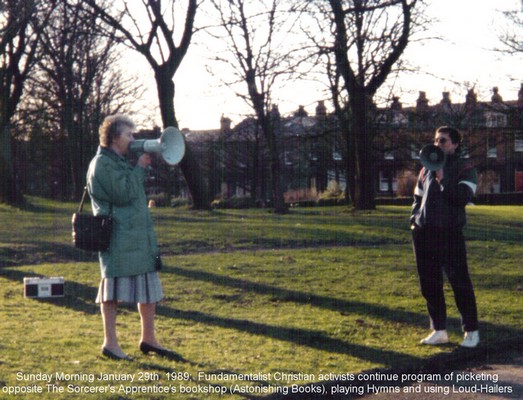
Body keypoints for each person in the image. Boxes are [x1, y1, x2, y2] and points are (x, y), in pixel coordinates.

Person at [87, 114, 176, 360]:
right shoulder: (101, 164)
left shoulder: (118, 161)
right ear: (114, 138)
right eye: (129, 134)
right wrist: (139, 168)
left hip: (136, 237)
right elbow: (124, 193)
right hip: (118, 238)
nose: (133, 139)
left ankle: (148, 339)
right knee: (113, 292)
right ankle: (111, 344)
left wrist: (138, 167)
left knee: (148, 287)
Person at [410, 126, 480, 348]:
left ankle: (471, 332)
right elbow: (416, 198)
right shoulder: (425, 169)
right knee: (429, 284)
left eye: (444, 141)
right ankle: (439, 330)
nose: (438, 145)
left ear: (455, 145)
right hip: (425, 233)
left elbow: (461, 198)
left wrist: (442, 179)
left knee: (459, 282)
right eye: (436, 140)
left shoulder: (465, 168)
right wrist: (414, 221)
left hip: (449, 233)